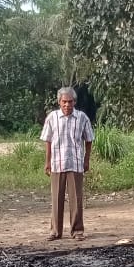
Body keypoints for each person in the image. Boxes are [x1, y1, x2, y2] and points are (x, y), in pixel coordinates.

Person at [40, 86, 95, 240]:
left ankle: (77, 230)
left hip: (76, 163)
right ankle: (55, 231)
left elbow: (89, 139)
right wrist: (47, 162)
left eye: (70, 102)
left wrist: (86, 160)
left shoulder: (82, 118)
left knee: (76, 198)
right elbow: (48, 141)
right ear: (59, 102)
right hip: (57, 163)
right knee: (56, 198)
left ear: (74, 102)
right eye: (64, 102)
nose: (67, 105)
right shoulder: (52, 117)